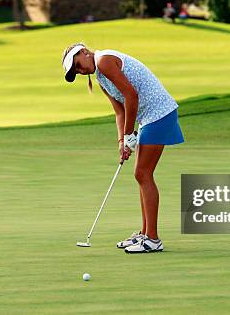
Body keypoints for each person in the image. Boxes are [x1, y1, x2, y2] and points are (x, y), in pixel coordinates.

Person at [61, 43, 184, 253]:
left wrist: (129, 134)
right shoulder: (101, 77)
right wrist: (122, 142)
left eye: (77, 65)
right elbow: (119, 112)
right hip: (149, 118)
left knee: (143, 173)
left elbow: (131, 96)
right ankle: (145, 234)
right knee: (141, 174)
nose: (80, 71)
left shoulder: (104, 60)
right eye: (76, 72)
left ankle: (153, 239)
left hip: (159, 113)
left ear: (84, 52)